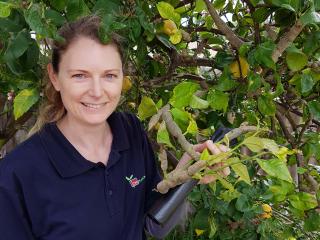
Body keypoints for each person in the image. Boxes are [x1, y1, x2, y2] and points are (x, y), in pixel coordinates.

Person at [0, 15, 229, 240]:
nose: (97, 92)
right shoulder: (16, 175)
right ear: (55, 77)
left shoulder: (129, 131)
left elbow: (152, 224)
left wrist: (185, 176)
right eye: (80, 75)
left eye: (109, 75)